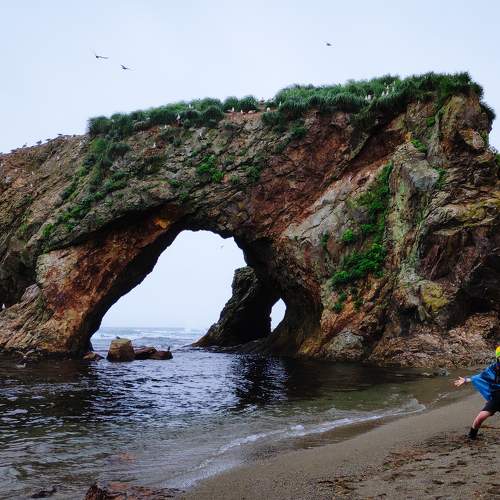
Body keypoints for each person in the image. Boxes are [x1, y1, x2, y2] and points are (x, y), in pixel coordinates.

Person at [454, 346, 500, 439]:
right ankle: (471, 437)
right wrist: (466, 380)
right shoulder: (492, 368)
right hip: (496, 399)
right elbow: (480, 377)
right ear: (497, 358)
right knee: (480, 418)